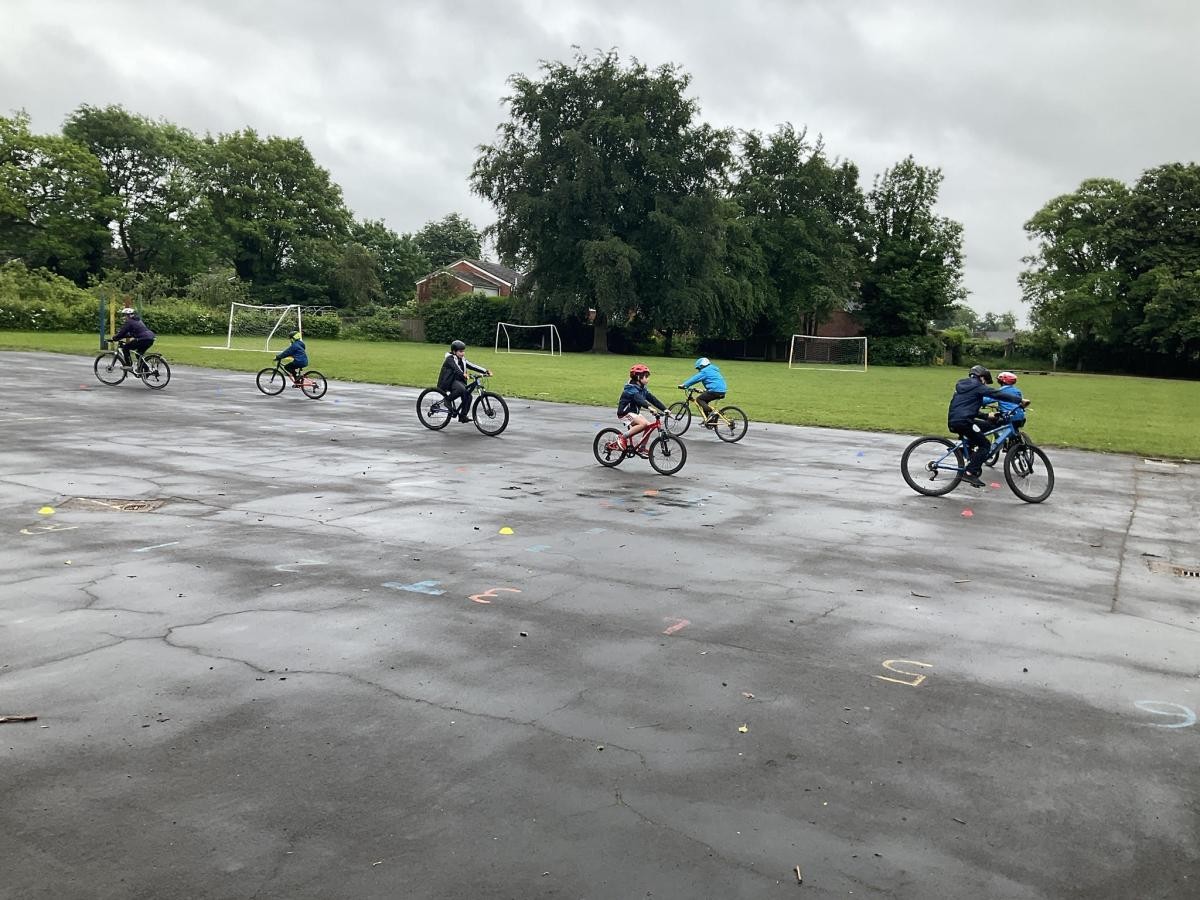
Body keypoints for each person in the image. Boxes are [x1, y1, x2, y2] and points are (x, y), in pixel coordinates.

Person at [947, 364, 1028, 488]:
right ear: (981, 377)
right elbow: (997, 394)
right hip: (964, 422)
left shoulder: (963, 387)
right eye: (985, 380)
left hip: (958, 420)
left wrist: (986, 416)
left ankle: (966, 449)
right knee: (985, 445)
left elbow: (967, 409)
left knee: (988, 426)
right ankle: (969, 472)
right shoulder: (978, 386)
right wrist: (1019, 400)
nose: (985, 383)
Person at [617, 363, 670, 453]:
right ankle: (622, 437)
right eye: (646, 376)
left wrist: (665, 409)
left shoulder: (642, 388)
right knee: (643, 424)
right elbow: (639, 399)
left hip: (634, 414)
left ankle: (642, 448)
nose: (648, 378)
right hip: (624, 413)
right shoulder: (631, 389)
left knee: (649, 426)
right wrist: (649, 407)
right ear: (638, 377)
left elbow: (652, 399)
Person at [438, 340, 491, 423]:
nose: (463, 353)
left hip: (458, 381)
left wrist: (485, 371)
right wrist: (463, 374)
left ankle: (463, 416)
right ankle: (447, 400)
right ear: (454, 352)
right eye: (460, 351)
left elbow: (472, 366)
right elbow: (456, 368)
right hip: (448, 382)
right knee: (461, 389)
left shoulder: (462, 359)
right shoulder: (450, 359)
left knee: (468, 396)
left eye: (463, 351)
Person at [678, 356, 727, 427]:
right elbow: (714, 382)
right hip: (721, 391)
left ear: (702, 365)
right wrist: (704, 390)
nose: (699, 370)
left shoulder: (705, 371)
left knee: (699, 399)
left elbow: (695, 379)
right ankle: (708, 420)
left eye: (699, 368)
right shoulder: (713, 370)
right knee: (704, 402)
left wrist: (685, 385)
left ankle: (712, 413)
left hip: (715, 390)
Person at [110, 307, 156, 373]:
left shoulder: (129, 322)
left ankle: (128, 365)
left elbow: (122, 332)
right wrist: (121, 337)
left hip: (142, 339)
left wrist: (114, 338)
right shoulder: (138, 320)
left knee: (125, 348)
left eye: (124, 315)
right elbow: (131, 334)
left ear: (128, 315)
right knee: (138, 354)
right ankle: (146, 370)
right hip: (150, 338)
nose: (123, 317)